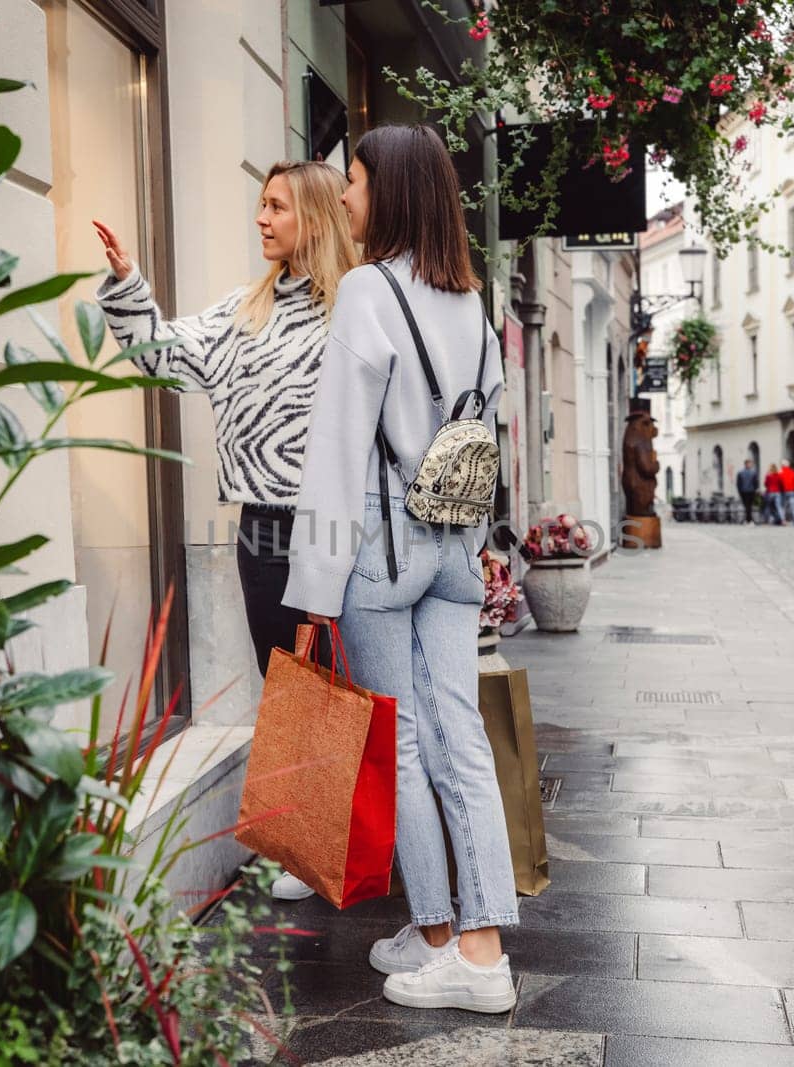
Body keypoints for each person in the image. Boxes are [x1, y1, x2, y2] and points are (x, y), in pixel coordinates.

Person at [281, 125, 516, 1014]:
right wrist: (482, 544)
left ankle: (456, 940)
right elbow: (484, 439)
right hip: (456, 546)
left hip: (381, 554)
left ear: (391, 191)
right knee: (461, 736)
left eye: (353, 181)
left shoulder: (366, 293)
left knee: (411, 743)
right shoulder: (473, 299)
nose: (343, 197)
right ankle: (457, 941)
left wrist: (312, 585)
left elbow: (338, 450)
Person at [93, 161, 358, 902]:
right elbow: (161, 356)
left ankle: (357, 832)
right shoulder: (244, 309)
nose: (261, 219)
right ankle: (305, 845)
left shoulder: (354, 307)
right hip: (262, 526)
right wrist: (128, 282)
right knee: (290, 681)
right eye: (259, 205)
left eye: (275, 206)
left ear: (312, 215)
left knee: (343, 682)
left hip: (337, 523)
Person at [736, 458, 760, 525]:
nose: (750, 465)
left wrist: (756, 490)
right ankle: (749, 520)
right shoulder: (742, 473)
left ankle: (748, 520)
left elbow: (756, 482)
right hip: (745, 491)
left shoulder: (752, 472)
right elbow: (738, 483)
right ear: (746, 464)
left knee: (748, 506)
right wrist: (740, 491)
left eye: (750, 463)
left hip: (750, 491)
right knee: (748, 506)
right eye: (749, 463)